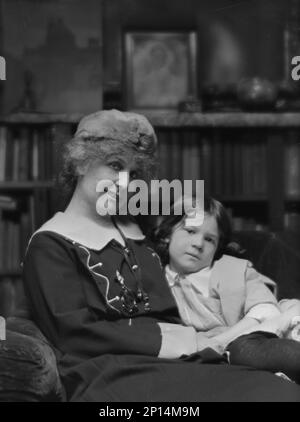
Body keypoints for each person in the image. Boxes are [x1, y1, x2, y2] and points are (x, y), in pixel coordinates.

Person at [23, 109, 300, 402]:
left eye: (133, 174)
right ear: (80, 162)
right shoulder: (50, 244)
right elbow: (75, 334)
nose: (124, 183)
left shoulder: (137, 231)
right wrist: (184, 341)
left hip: (179, 360)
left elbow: (181, 281)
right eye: (115, 166)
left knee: (281, 391)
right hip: (107, 372)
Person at [153, 195, 300, 383]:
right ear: (167, 234)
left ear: (218, 246)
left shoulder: (235, 269)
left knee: (246, 349)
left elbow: (266, 311)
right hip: (210, 356)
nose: (198, 244)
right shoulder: (155, 279)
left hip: (254, 336)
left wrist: (223, 341)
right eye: (190, 231)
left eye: (209, 239)